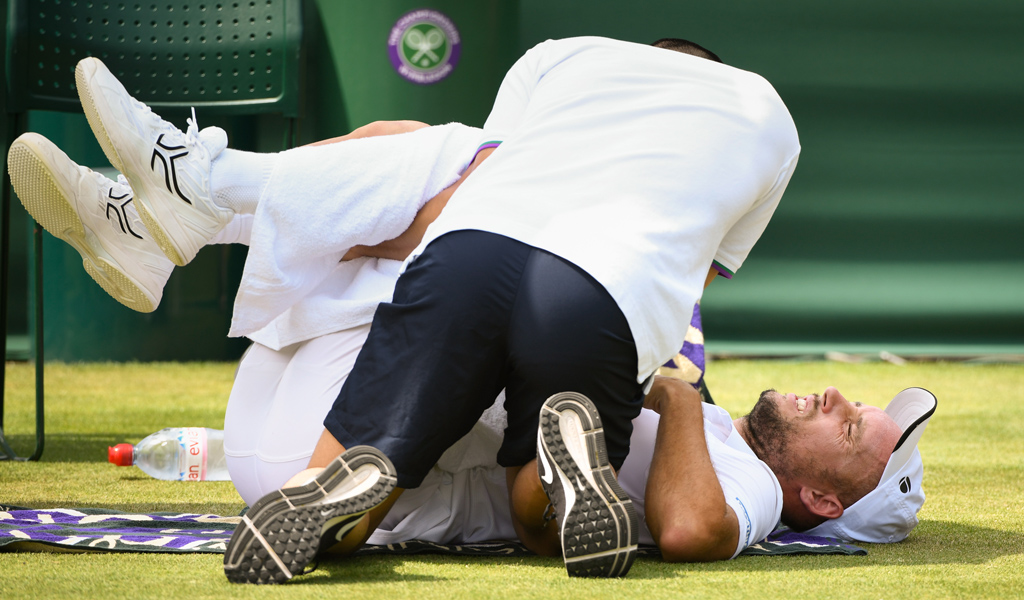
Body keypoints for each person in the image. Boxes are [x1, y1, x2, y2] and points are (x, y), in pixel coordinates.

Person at [8, 43, 935, 580]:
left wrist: (682, 399)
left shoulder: (764, 495)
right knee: (428, 156)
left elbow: (693, 531)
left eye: (860, 431)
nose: (842, 399)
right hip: (305, 404)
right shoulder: (681, 295)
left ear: (825, 498)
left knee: (449, 159)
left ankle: (183, 201)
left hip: (331, 427)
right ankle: (173, 214)